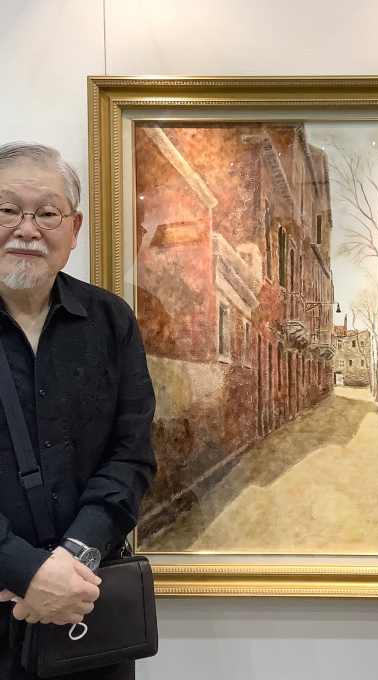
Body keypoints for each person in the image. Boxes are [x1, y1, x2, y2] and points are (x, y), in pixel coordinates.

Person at [0, 143, 156, 680]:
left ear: (74, 228)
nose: (26, 230)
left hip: (87, 616)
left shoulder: (111, 322)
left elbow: (131, 457)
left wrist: (72, 559)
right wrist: (25, 571)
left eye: (47, 213)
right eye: (7, 209)